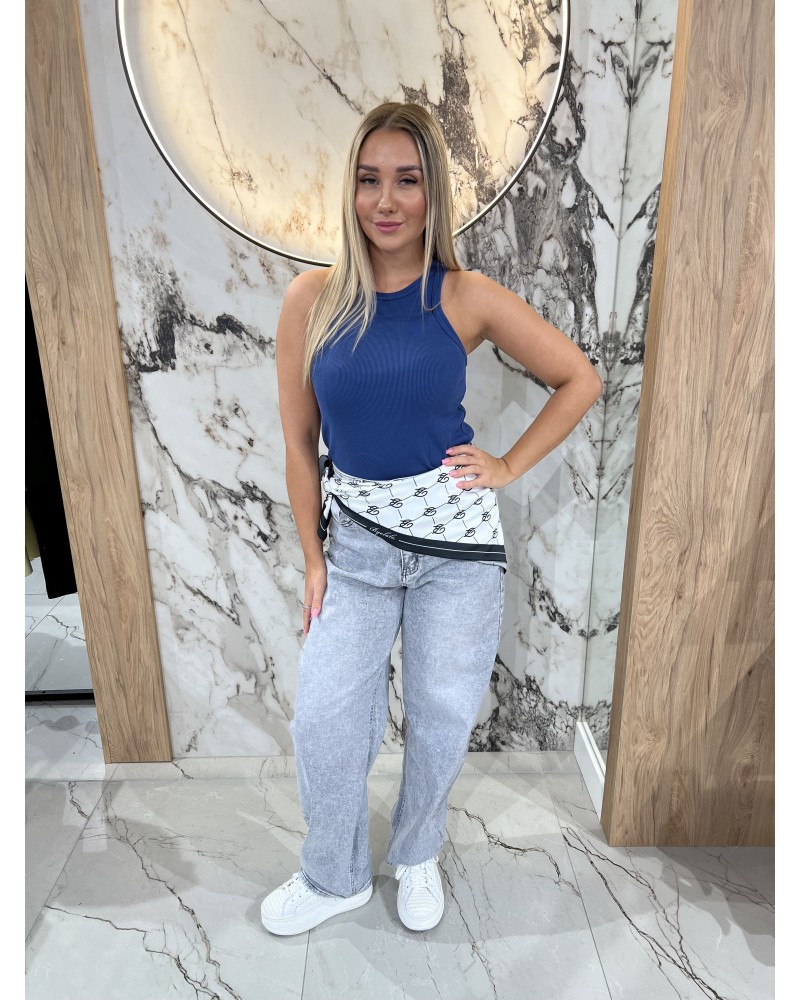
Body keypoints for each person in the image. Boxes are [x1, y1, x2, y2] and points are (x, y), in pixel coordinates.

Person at [261, 101, 602, 936]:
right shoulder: (311, 300)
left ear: (431, 193)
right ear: (350, 190)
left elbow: (580, 378)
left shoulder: (465, 296)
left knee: (443, 715)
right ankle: (335, 875)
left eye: (406, 181)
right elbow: (300, 444)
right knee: (325, 718)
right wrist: (313, 557)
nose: (386, 200)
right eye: (369, 179)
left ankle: (417, 854)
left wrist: (507, 465)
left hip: (456, 550)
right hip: (358, 548)